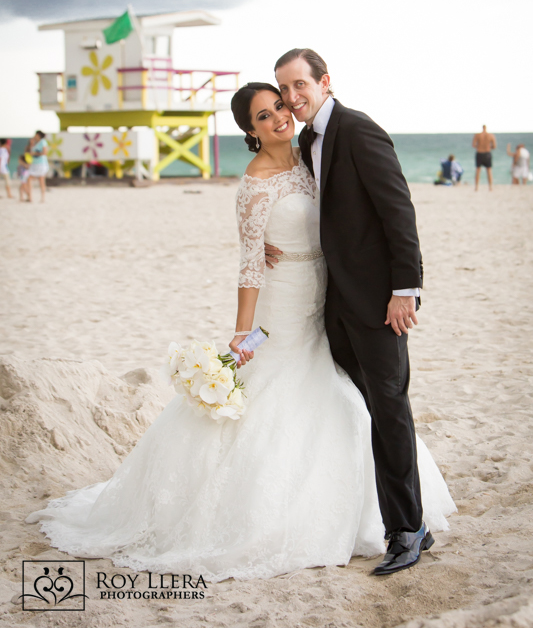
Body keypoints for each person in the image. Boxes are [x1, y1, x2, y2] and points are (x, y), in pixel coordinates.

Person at [26, 82, 456, 583]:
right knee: (280, 388)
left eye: (280, 106)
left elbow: (351, 211)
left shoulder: (312, 157)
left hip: (330, 298)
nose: (279, 117)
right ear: (249, 131)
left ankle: (398, 512)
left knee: (347, 393)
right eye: (264, 115)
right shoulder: (253, 184)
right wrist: (242, 331)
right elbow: (250, 265)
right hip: (285, 301)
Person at [268, 48, 438, 575]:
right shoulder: (304, 140)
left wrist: (405, 289)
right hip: (333, 303)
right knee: (357, 408)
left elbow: (397, 209)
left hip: (379, 303)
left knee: (390, 412)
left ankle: (406, 531)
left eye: (300, 86)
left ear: (324, 82)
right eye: (285, 90)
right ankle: (403, 522)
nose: (293, 99)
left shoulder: (358, 129)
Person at [472, 125, 496, 191]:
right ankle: (490, 187)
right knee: (489, 171)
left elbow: (473, 145)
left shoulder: (477, 135)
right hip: (487, 153)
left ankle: (476, 187)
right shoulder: (491, 135)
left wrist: (479, 145)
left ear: (482, 128)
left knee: (478, 171)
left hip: (479, 153)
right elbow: (494, 146)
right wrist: (488, 146)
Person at [28, 130, 49, 203]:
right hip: (34, 163)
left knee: (41, 180)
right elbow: (30, 152)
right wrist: (31, 144)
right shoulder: (34, 143)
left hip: (41, 164)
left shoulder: (43, 142)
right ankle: (30, 197)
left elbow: (45, 152)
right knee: (29, 179)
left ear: (38, 135)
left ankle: (42, 198)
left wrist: (35, 153)